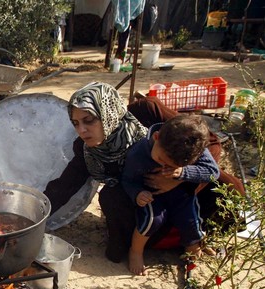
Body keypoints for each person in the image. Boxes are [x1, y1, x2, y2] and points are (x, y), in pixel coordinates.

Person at [43, 82, 244, 265]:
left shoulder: (148, 111)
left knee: (230, 187)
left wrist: (179, 179)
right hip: (144, 201)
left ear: (107, 111)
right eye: (76, 123)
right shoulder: (87, 150)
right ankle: (152, 243)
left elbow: (209, 143)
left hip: (184, 187)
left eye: (89, 120)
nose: (82, 130)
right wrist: (31, 219)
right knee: (111, 197)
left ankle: (193, 235)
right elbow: (63, 186)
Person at [121, 115, 220, 275]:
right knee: (151, 220)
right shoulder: (138, 153)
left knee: (191, 220)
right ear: (156, 137)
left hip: (182, 194)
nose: (163, 166)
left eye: (172, 166)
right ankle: (136, 251)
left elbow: (213, 172)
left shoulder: (194, 148)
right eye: (161, 159)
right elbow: (127, 179)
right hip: (152, 195)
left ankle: (192, 247)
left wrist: (184, 172)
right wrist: (137, 193)